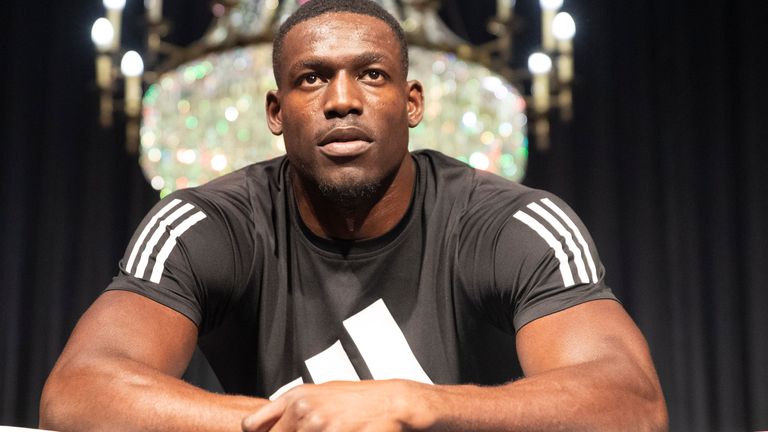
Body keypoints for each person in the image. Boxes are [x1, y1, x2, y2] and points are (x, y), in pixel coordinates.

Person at [40, 0, 668, 430]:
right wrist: (298, 422)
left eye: (371, 74)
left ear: (412, 101)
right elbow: (77, 393)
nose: (342, 101)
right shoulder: (206, 224)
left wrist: (415, 406)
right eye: (311, 79)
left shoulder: (510, 223)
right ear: (276, 112)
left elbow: (630, 403)